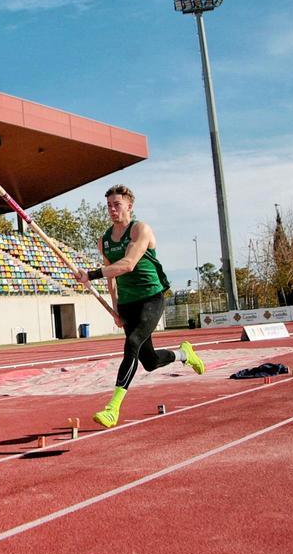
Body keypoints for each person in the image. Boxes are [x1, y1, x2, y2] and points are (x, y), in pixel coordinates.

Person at [77, 184, 205, 429]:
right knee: (149, 361)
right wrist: (115, 309)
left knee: (133, 343)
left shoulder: (140, 230)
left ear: (129, 206)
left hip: (150, 298)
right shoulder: (104, 240)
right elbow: (111, 279)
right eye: (109, 206)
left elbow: (128, 264)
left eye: (117, 205)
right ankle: (184, 354)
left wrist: (90, 274)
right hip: (127, 304)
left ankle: (112, 408)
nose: (112, 210)